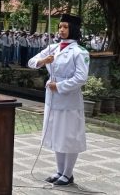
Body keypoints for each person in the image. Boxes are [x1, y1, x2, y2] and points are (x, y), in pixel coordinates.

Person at [27, 14, 89, 186]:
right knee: (56, 135)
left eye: (65, 27)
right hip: (52, 99)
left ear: (73, 29)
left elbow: (81, 78)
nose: (61, 30)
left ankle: (68, 174)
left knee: (69, 136)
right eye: (60, 26)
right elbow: (31, 62)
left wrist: (60, 86)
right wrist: (43, 61)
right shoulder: (53, 48)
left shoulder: (80, 52)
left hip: (69, 100)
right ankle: (59, 170)